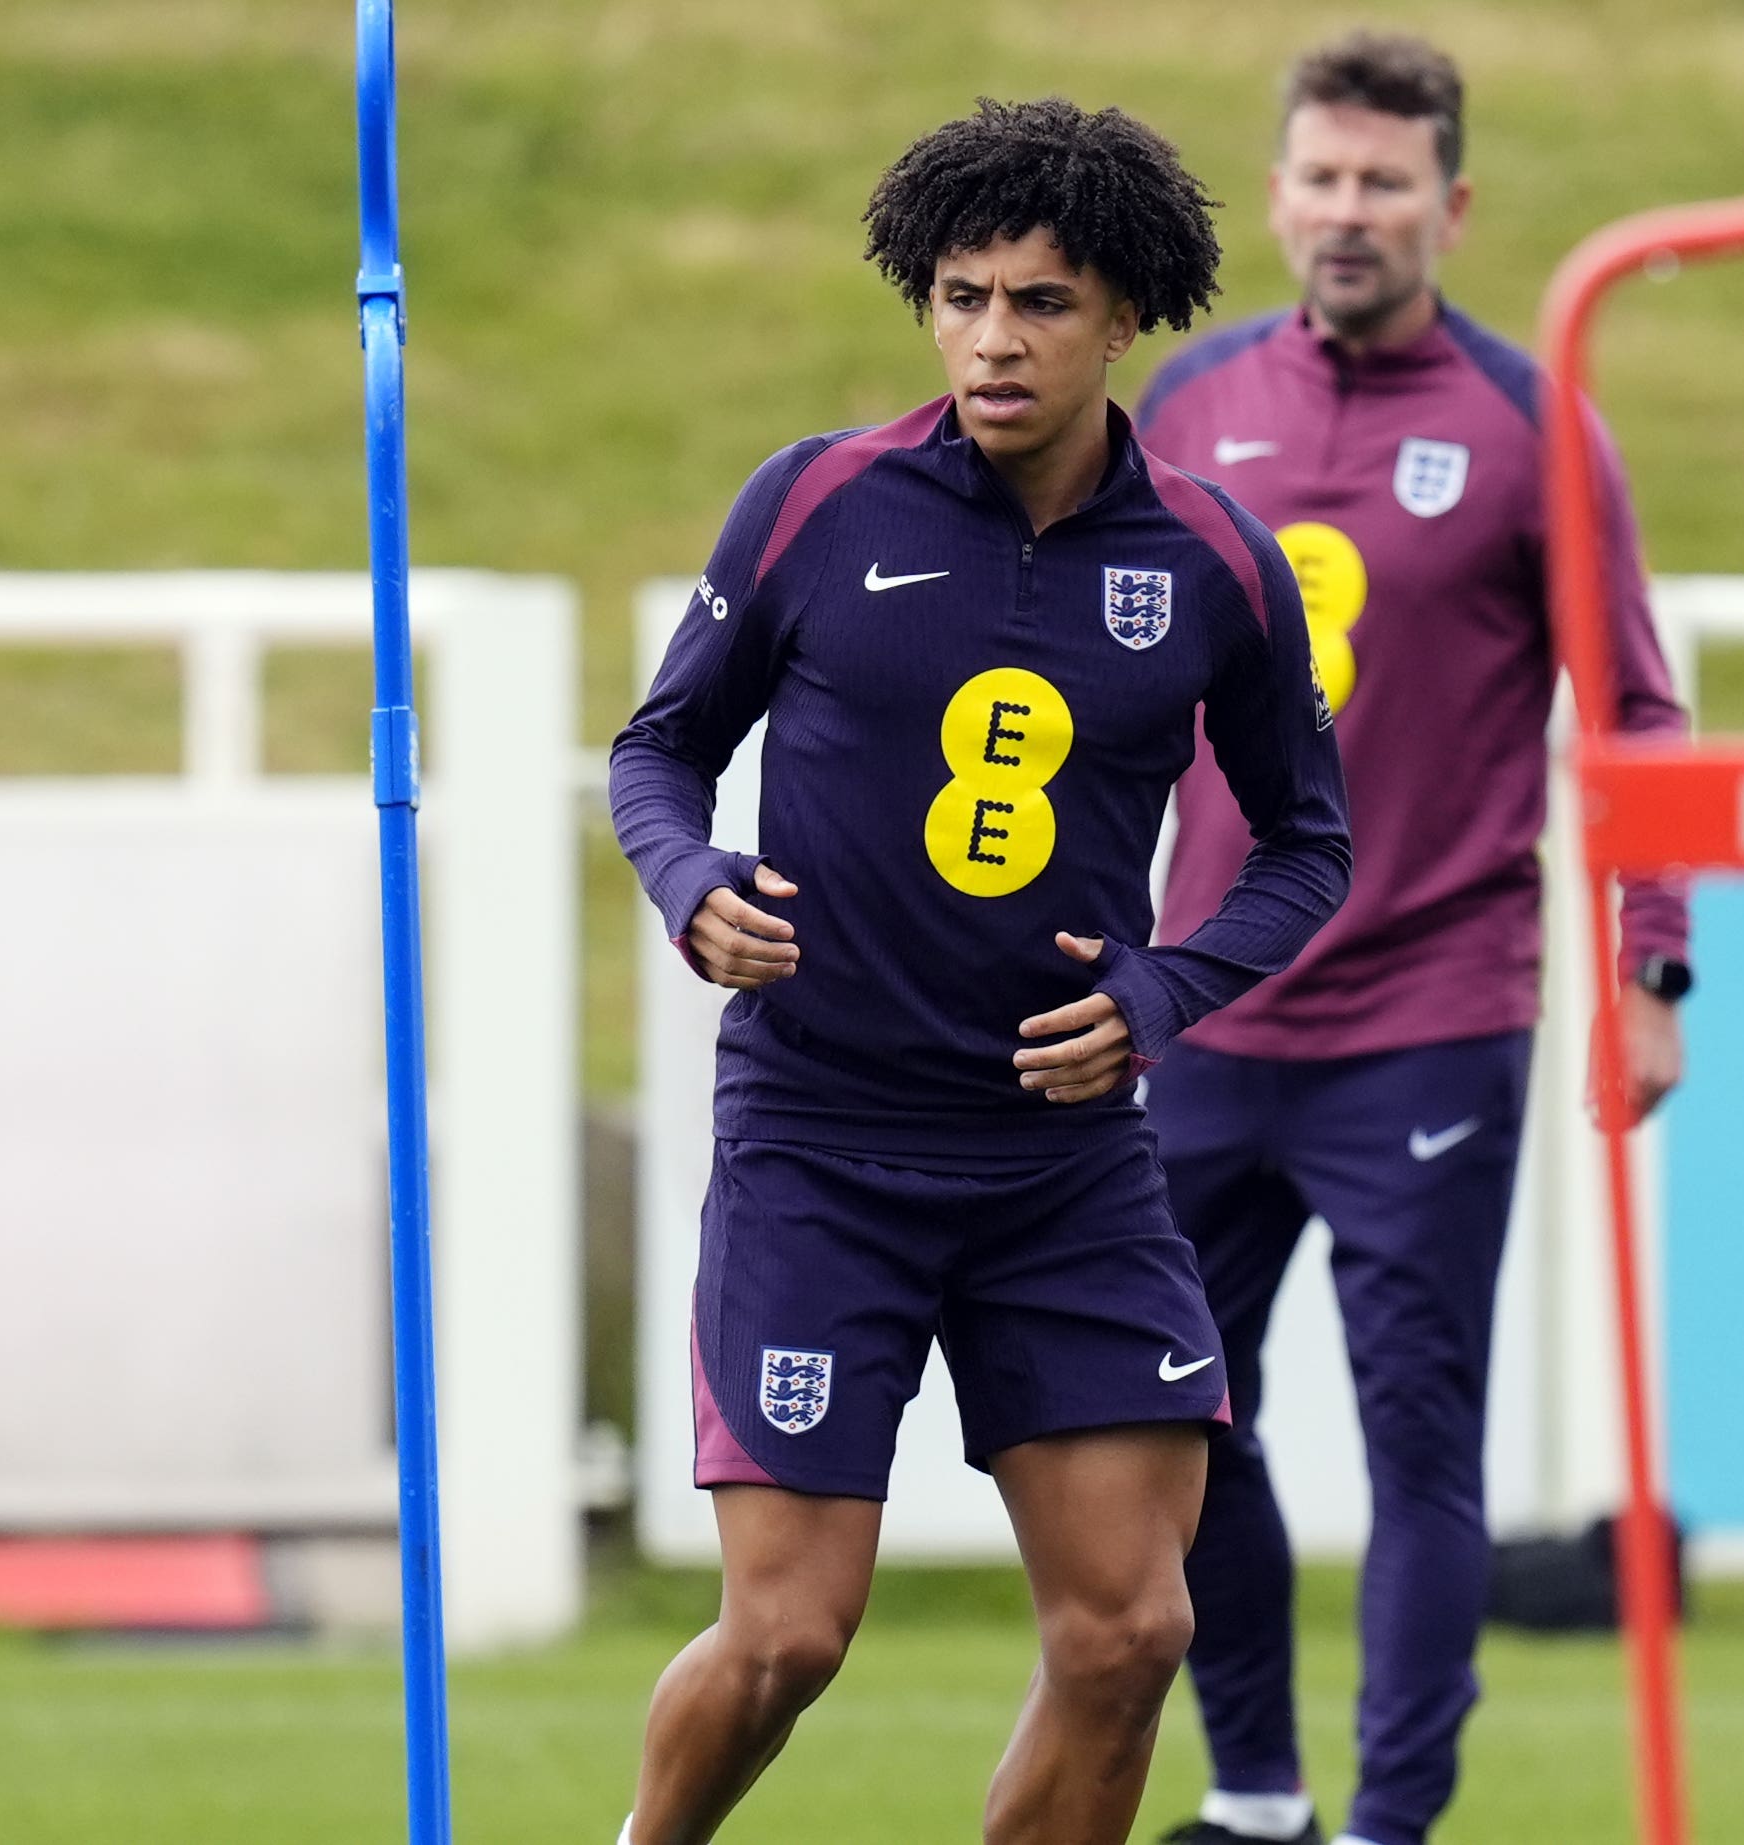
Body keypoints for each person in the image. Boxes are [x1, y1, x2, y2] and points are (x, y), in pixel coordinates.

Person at [607, 97, 1353, 1845]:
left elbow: (1310, 844)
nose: (994, 340)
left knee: (1130, 1628)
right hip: (822, 1141)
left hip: (1065, 1171)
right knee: (788, 1631)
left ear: (1124, 318)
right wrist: (689, 876)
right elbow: (657, 751)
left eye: (1040, 302)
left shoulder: (1217, 566)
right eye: (961, 297)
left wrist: (1165, 992)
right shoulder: (812, 502)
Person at [1132, 35, 1694, 1845]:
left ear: (1451, 205)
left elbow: (1637, 714)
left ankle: (1391, 1820)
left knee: (1419, 1440)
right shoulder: (1191, 402)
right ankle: (1257, 1794)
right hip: (1204, 1009)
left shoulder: (1532, 424)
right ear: (1279, 191)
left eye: (1388, 182)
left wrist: (1651, 964)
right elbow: (1091, 685)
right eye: (1322, 176)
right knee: (1179, 1423)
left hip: (1433, 1017)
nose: (1350, 211)